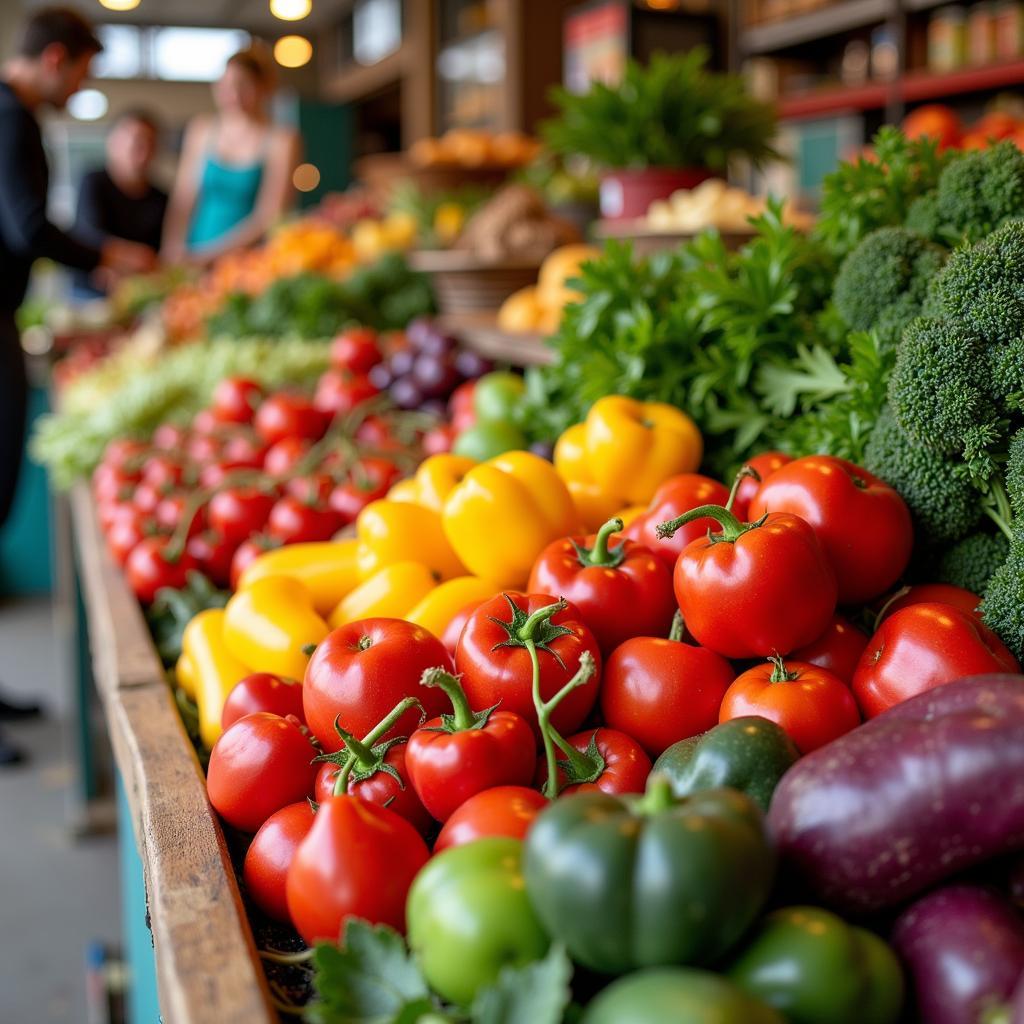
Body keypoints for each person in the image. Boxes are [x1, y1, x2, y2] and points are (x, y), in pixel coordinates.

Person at [0, 7, 155, 765]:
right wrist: (108, 255)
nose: (85, 85)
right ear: (56, 59)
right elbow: (28, 227)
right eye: (86, 70)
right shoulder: (13, 118)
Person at [162, 44, 300, 266]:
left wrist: (208, 257)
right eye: (226, 86)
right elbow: (184, 197)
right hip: (194, 253)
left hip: (249, 260)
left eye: (244, 86)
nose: (234, 95)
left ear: (264, 87)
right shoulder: (202, 130)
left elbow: (270, 215)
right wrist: (172, 247)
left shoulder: (281, 140)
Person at [71, 108, 168, 298]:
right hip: (89, 292)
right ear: (112, 143)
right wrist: (134, 257)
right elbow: (88, 234)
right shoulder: (93, 182)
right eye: (135, 142)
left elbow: (161, 252)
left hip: (140, 293)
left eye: (149, 143)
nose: (142, 150)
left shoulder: (162, 198)